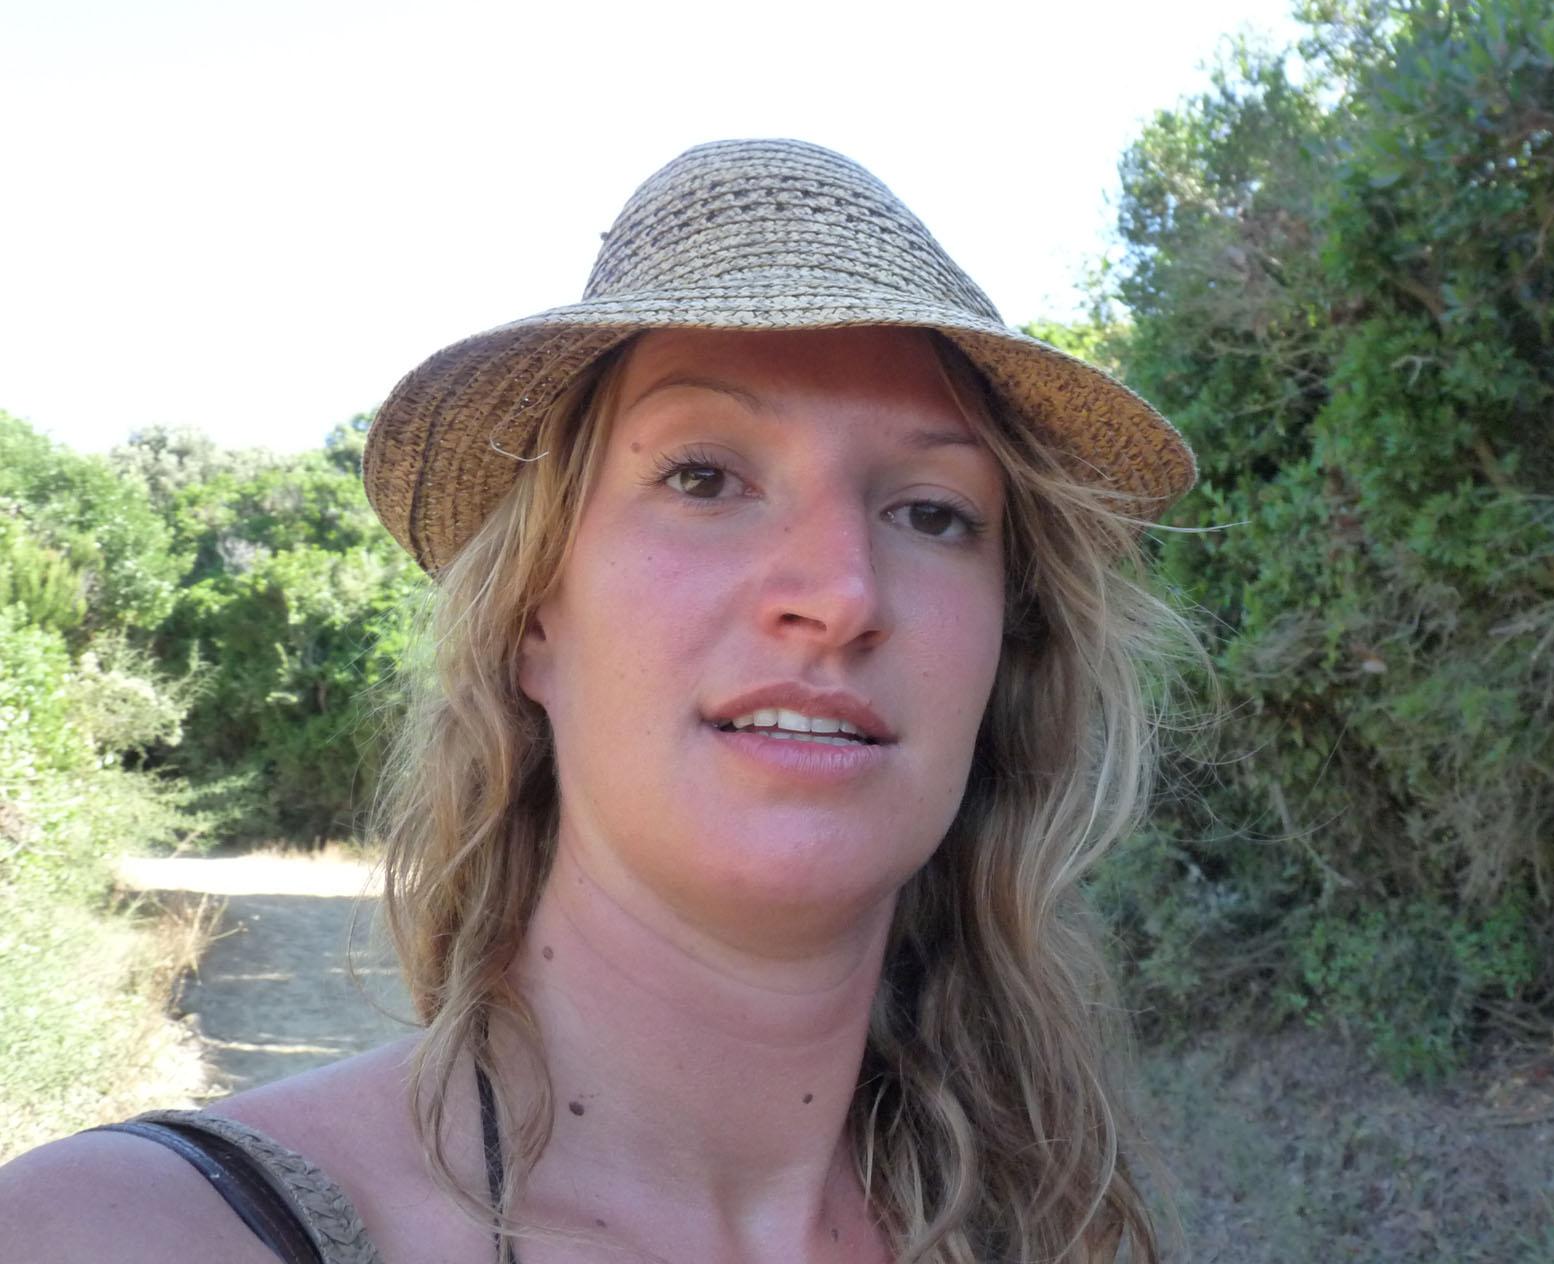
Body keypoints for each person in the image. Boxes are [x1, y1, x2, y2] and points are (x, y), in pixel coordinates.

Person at [0, 138, 1200, 1263]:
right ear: (535, 619)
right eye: (703, 477)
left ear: (1004, 654)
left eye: (933, 512)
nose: (841, 593)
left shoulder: (1059, 1228)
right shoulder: (120, 1232)